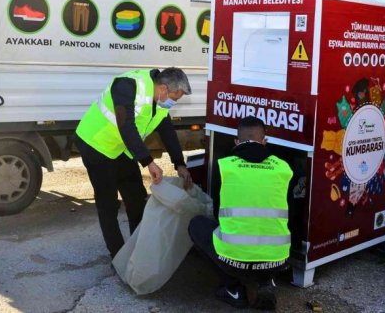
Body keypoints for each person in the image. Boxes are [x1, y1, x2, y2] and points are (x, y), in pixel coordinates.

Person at [75, 67, 193, 258]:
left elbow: (167, 130)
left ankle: (138, 252)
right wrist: (148, 162)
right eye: (175, 98)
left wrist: (179, 163)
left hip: (121, 148)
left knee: (136, 199)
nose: (174, 102)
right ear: (163, 89)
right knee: (108, 204)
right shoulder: (127, 85)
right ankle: (118, 256)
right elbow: (126, 125)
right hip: (96, 145)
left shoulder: (160, 102)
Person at [188, 116, 293, 310]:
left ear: (237, 142)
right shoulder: (283, 167)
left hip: (234, 261)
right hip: (277, 259)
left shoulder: (225, 166)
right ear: (264, 141)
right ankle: (266, 281)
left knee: (196, 224)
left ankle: (233, 289)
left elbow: (218, 212)